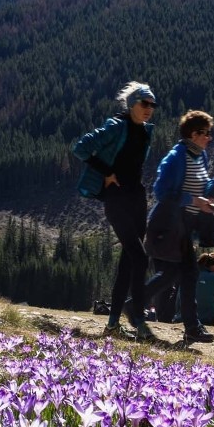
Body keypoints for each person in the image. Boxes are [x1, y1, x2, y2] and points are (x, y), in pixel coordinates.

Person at [72, 81, 157, 340]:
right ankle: (139, 321)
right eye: (144, 103)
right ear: (132, 104)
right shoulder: (116, 126)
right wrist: (106, 172)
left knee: (129, 262)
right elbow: (81, 148)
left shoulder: (146, 132)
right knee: (140, 258)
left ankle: (112, 325)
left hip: (137, 198)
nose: (149, 109)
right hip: (116, 199)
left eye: (152, 105)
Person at [142, 110, 214, 344]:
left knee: (186, 274)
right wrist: (194, 201)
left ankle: (191, 326)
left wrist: (210, 194)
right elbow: (162, 192)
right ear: (193, 134)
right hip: (166, 226)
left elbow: (198, 187)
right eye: (205, 133)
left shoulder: (200, 156)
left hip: (184, 227)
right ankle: (189, 326)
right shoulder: (176, 157)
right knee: (173, 274)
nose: (209, 138)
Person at [178, 251, 214, 326]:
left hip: (183, 318)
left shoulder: (189, 273)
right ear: (213, 266)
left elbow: (179, 298)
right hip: (207, 320)